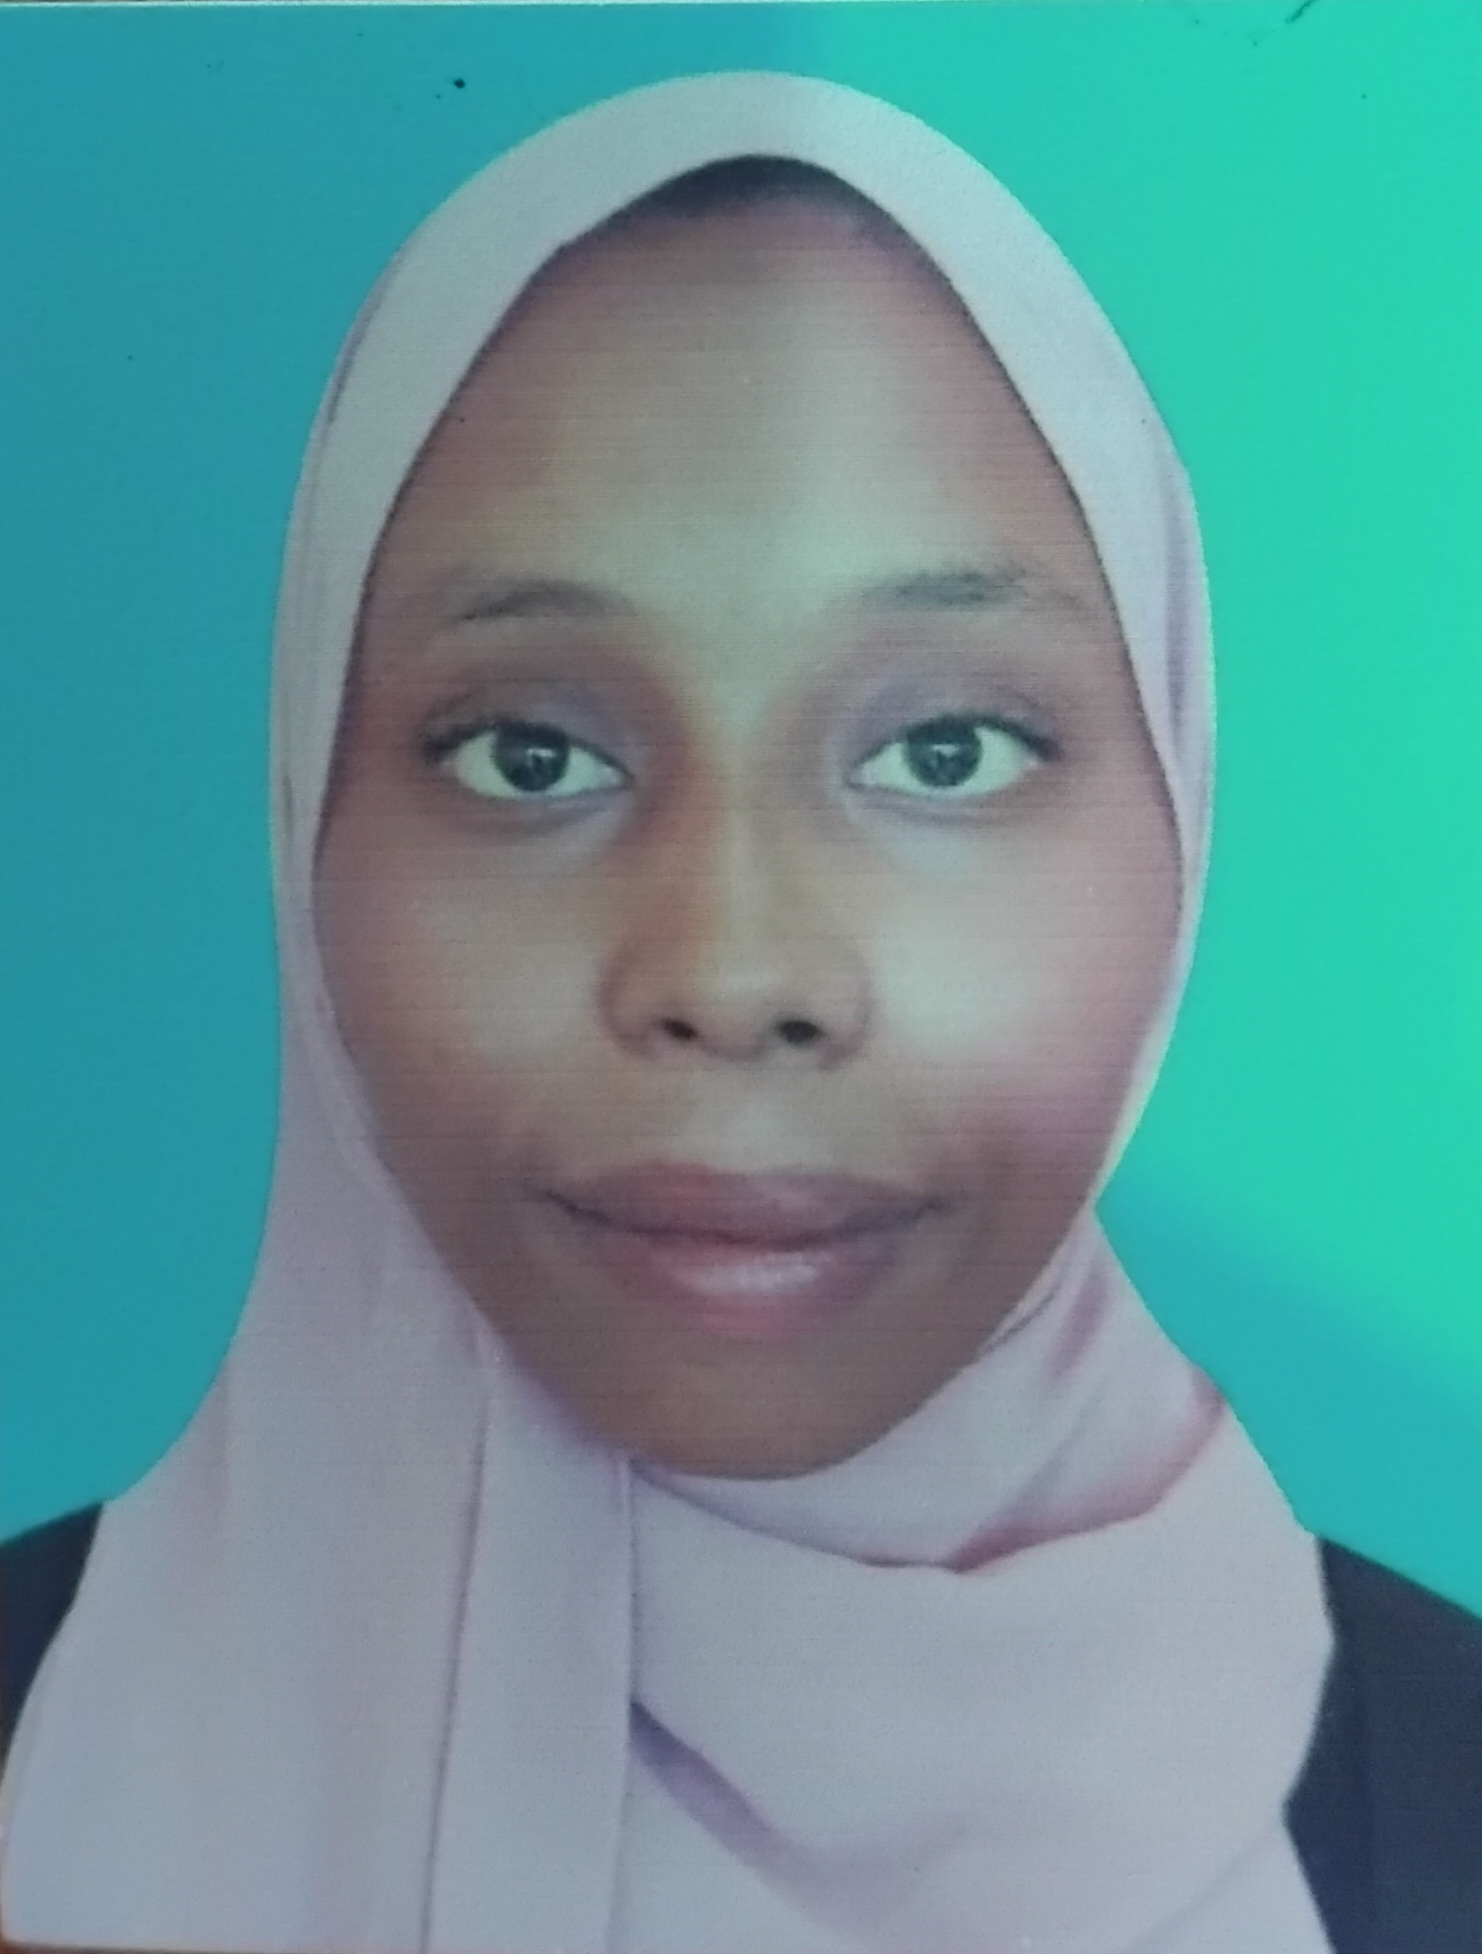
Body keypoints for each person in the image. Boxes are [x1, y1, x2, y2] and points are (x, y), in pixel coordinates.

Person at [3, 71, 1480, 1954]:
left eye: (945, 749)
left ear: (1178, 811)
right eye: (529, 753)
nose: (728, 971)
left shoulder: (1447, 1799)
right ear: (310, 823)